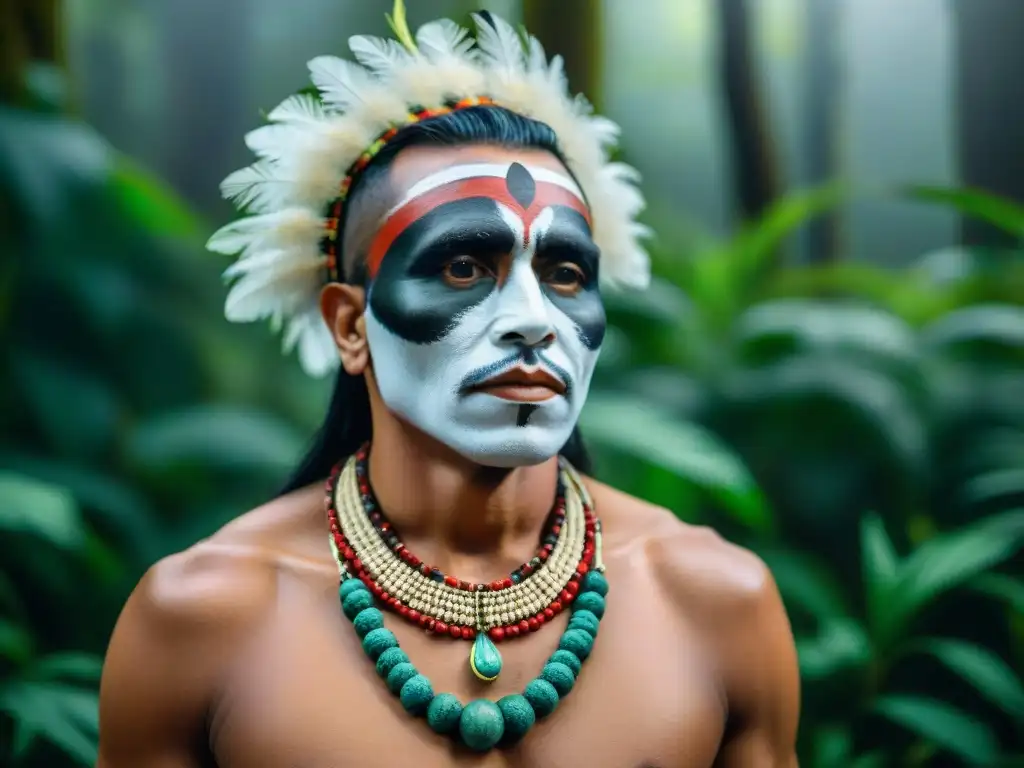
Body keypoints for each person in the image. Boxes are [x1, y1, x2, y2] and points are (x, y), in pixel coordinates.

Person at [96, 5, 800, 766]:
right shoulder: (203, 621)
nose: (533, 321)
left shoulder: (715, 602)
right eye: (463, 267)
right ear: (350, 326)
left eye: (565, 274)